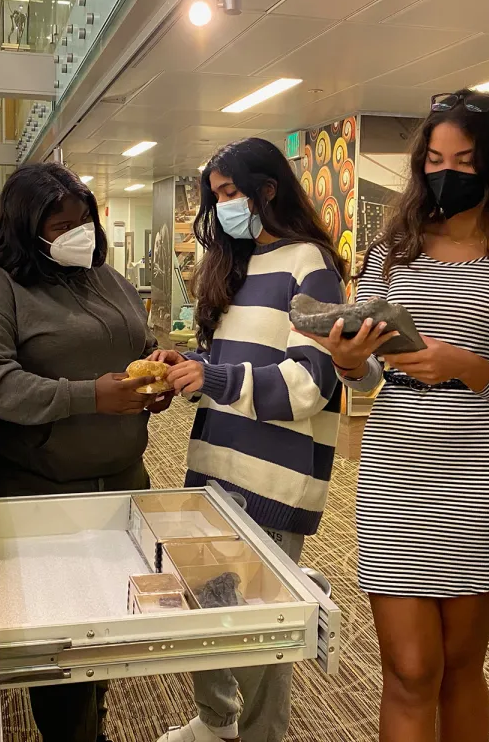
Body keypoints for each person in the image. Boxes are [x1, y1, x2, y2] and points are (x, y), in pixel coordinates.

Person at [300, 90, 489, 741]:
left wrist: (471, 368)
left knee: (460, 667)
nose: (446, 172)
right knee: (409, 669)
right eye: (435, 158)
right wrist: (351, 364)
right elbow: (374, 367)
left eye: (464, 160)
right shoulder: (394, 252)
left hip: (484, 473)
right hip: (396, 468)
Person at [0, 163, 171, 742]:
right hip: (42, 493)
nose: (79, 233)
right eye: (61, 224)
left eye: (84, 220)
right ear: (25, 227)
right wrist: (88, 397)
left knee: (111, 631)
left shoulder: (105, 279)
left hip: (121, 480)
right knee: (64, 652)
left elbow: (135, 344)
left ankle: (94, 722)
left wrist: (155, 375)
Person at [149, 137, 346, 742]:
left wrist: (213, 375)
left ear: (268, 189)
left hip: (274, 474)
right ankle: (216, 721)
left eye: (232, 192)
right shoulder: (233, 265)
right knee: (208, 604)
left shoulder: (309, 264)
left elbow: (310, 381)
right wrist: (188, 363)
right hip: (215, 463)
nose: (225, 206)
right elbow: (232, 358)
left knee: (263, 630)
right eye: (217, 197)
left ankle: (261, 734)